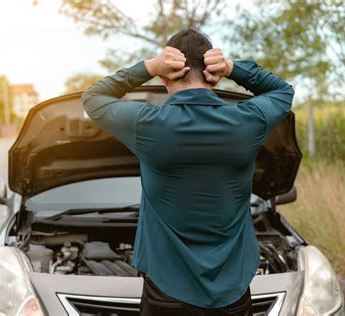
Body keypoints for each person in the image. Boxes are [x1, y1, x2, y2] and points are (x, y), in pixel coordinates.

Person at [81, 29, 294, 316]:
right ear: (212, 72)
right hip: (232, 291)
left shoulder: (148, 123)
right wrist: (233, 69)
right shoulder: (247, 121)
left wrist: (148, 66)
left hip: (167, 292)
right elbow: (283, 91)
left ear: (165, 75)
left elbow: (93, 97)